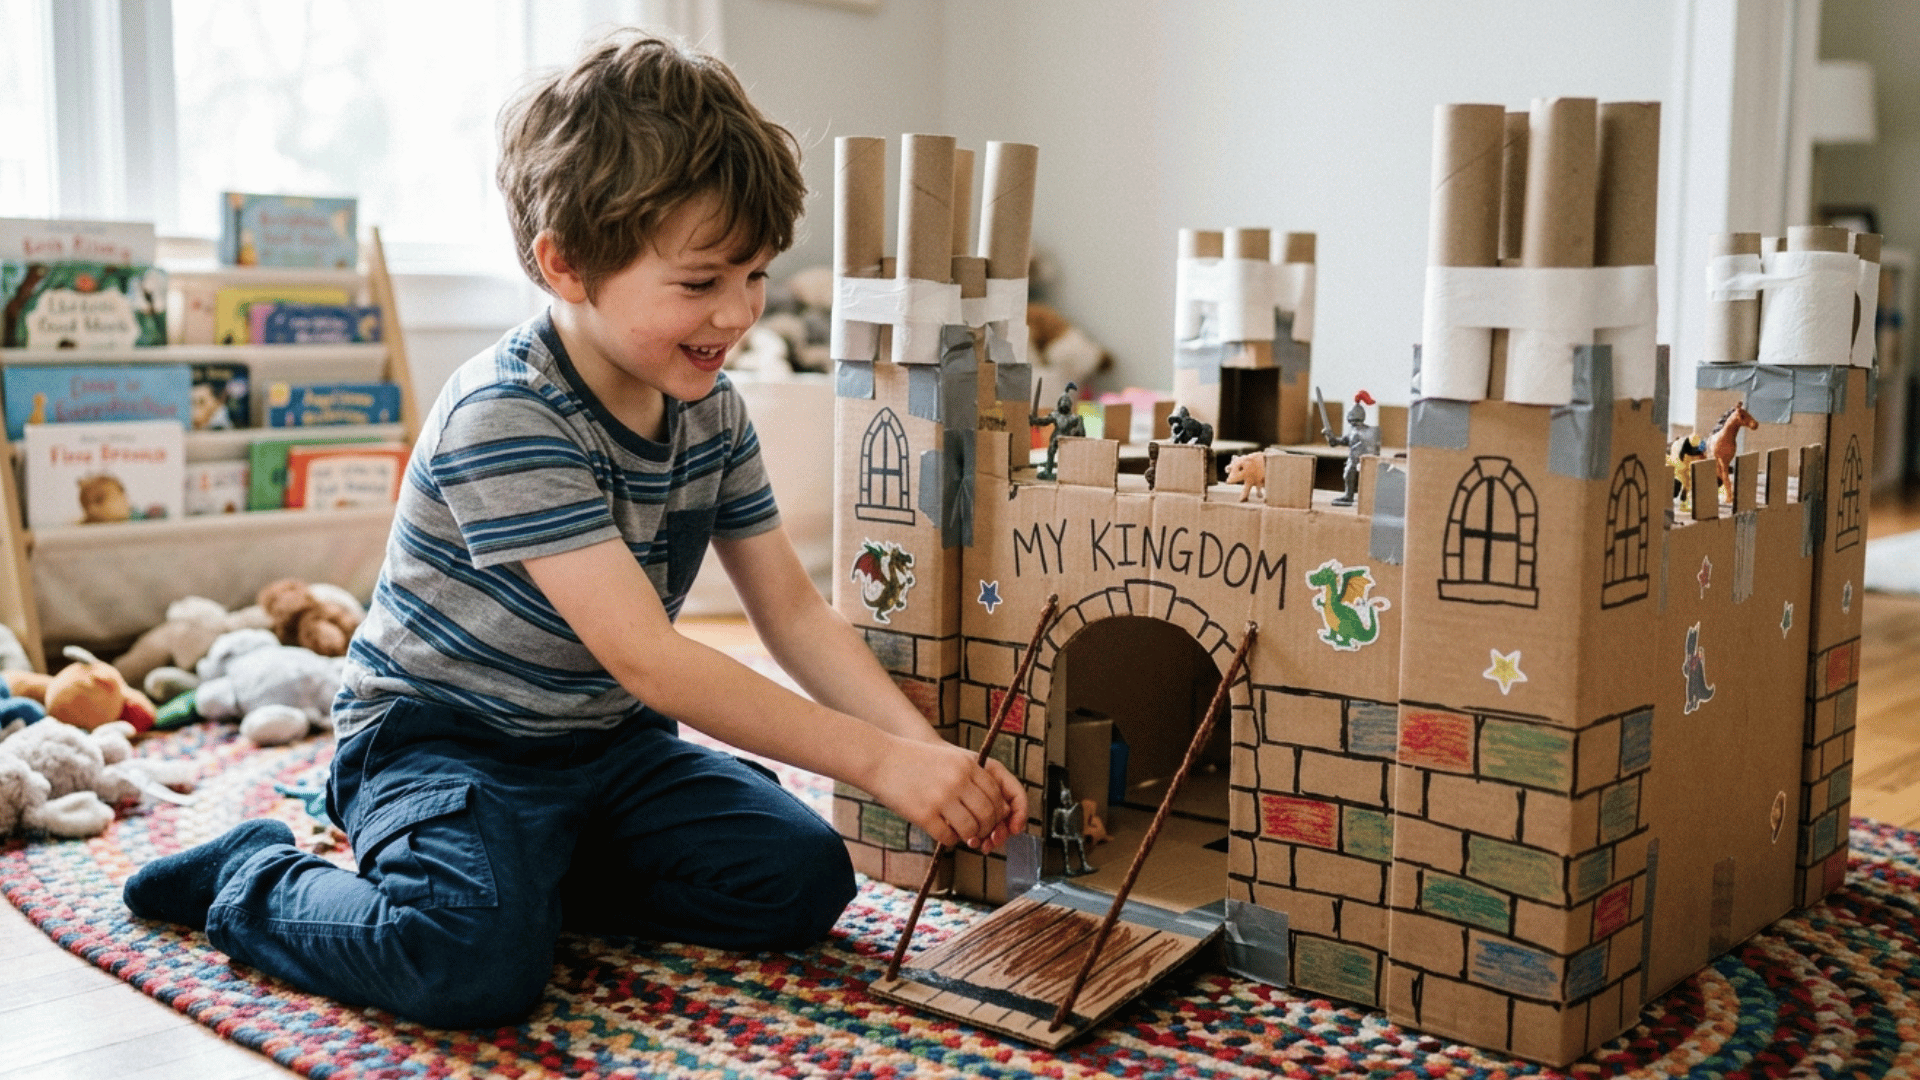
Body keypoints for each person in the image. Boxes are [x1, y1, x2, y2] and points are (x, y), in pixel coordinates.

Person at [122, 31, 1026, 1030]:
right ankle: (251, 877)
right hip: (443, 746)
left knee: (805, 878)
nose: (737, 313)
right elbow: (648, 657)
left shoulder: (712, 410)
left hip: (604, 747)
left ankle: (526, 880)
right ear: (565, 264)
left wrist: (925, 754)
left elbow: (795, 612)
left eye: (757, 275)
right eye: (700, 282)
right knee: (466, 965)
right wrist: (872, 764)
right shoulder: (505, 414)